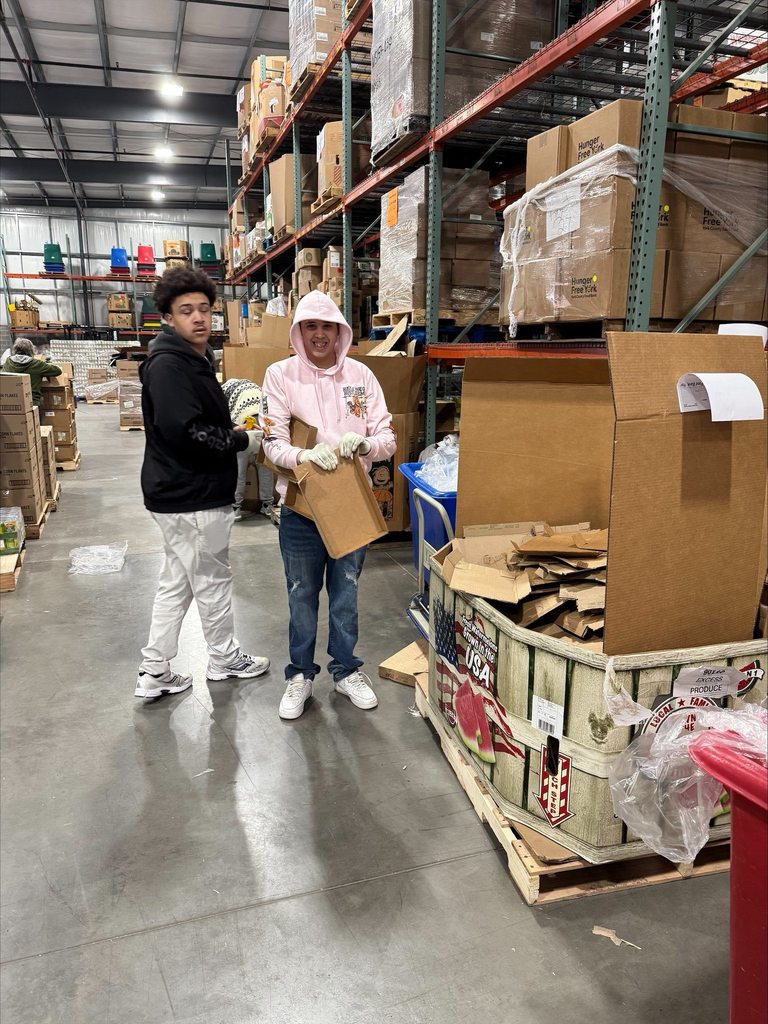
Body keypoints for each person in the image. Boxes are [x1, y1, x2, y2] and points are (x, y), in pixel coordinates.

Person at [260, 290, 396, 720]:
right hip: (301, 508)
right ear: (298, 332)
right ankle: (300, 674)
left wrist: (368, 445)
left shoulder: (361, 376)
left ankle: (345, 670)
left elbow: (387, 438)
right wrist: (303, 455)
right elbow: (272, 443)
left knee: (346, 593)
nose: (319, 335)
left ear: (340, 332)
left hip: (352, 504)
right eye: (310, 326)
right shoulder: (280, 376)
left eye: (327, 327)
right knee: (301, 594)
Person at [136, 267, 270, 701]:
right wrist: (240, 440)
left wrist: (226, 428)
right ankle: (224, 658)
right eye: (186, 310)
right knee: (211, 580)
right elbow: (185, 432)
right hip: (191, 494)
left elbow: (191, 421)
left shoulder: (191, 359)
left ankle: (155, 669)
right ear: (168, 318)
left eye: (204, 309)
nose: (198, 318)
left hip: (179, 491)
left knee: (176, 582)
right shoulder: (170, 365)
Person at [220, 377, 276, 522]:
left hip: (243, 431)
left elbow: (223, 418)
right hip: (263, 430)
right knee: (265, 469)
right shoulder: (256, 388)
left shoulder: (225, 392)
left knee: (238, 472)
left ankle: (235, 508)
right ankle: (267, 505)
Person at [2, 338, 61, 408]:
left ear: (15, 349)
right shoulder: (37, 364)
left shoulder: (8, 362)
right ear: (31, 350)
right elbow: (57, 371)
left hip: (11, 402)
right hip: (32, 402)